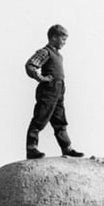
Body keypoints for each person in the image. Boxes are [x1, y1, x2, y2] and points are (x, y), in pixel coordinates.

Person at [25, 24, 84, 160]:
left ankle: (66, 147)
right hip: (48, 89)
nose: (64, 43)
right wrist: (40, 78)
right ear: (53, 38)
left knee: (60, 120)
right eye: (63, 39)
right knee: (40, 117)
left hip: (59, 90)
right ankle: (31, 148)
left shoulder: (59, 55)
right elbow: (30, 65)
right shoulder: (45, 52)